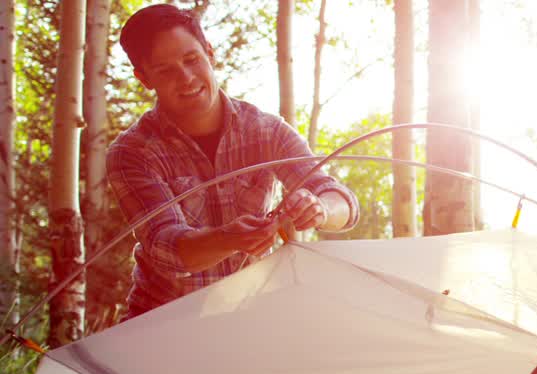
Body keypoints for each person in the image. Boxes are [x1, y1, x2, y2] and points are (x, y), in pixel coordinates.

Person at [108, 4, 360, 319]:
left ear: (209, 52)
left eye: (191, 60)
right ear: (144, 78)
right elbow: (167, 248)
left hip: (250, 314)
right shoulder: (132, 152)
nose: (185, 78)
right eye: (165, 70)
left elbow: (343, 204)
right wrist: (229, 238)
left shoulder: (266, 130)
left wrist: (321, 208)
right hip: (162, 320)